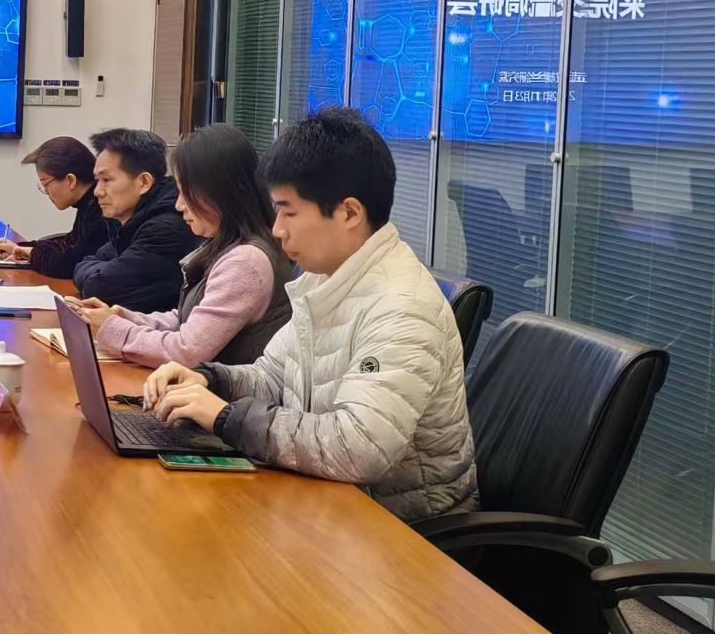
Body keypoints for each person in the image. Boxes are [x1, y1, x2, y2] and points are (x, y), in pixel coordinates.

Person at [141, 107, 477, 522]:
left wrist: (225, 417)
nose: (277, 229)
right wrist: (210, 379)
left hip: (401, 527)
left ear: (349, 213)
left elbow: (359, 448)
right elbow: (271, 377)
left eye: (289, 212)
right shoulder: (326, 277)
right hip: (324, 500)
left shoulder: (402, 307)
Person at [70, 124, 294, 366]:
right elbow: (186, 318)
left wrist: (112, 329)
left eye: (185, 193)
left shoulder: (245, 262)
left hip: (215, 389)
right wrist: (122, 317)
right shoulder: (223, 244)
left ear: (218, 192)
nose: (179, 205)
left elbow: (187, 350)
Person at [71, 128, 200, 311]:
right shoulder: (132, 220)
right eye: (97, 180)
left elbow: (98, 287)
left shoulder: (166, 229)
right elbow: (85, 262)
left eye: (106, 180)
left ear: (144, 182)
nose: (97, 191)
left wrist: (98, 271)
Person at [0, 136, 105, 278]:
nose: (46, 192)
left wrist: (30, 253)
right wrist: (21, 248)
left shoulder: (103, 208)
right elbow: (70, 243)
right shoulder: (87, 204)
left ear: (70, 180)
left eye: (45, 184)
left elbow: (70, 264)